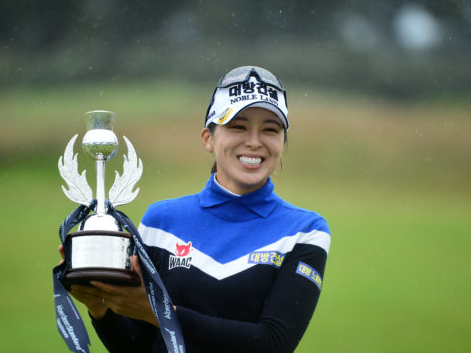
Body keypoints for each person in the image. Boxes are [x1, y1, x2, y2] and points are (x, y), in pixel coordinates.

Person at [62, 66, 331, 352]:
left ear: (283, 142)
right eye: (238, 126)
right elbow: (139, 345)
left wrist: (158, 312)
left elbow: (273, 343)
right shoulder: (160, 221)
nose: (254, 141)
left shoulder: (305, 231)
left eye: (271, 129)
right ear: (208, 138)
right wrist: (101, 309)